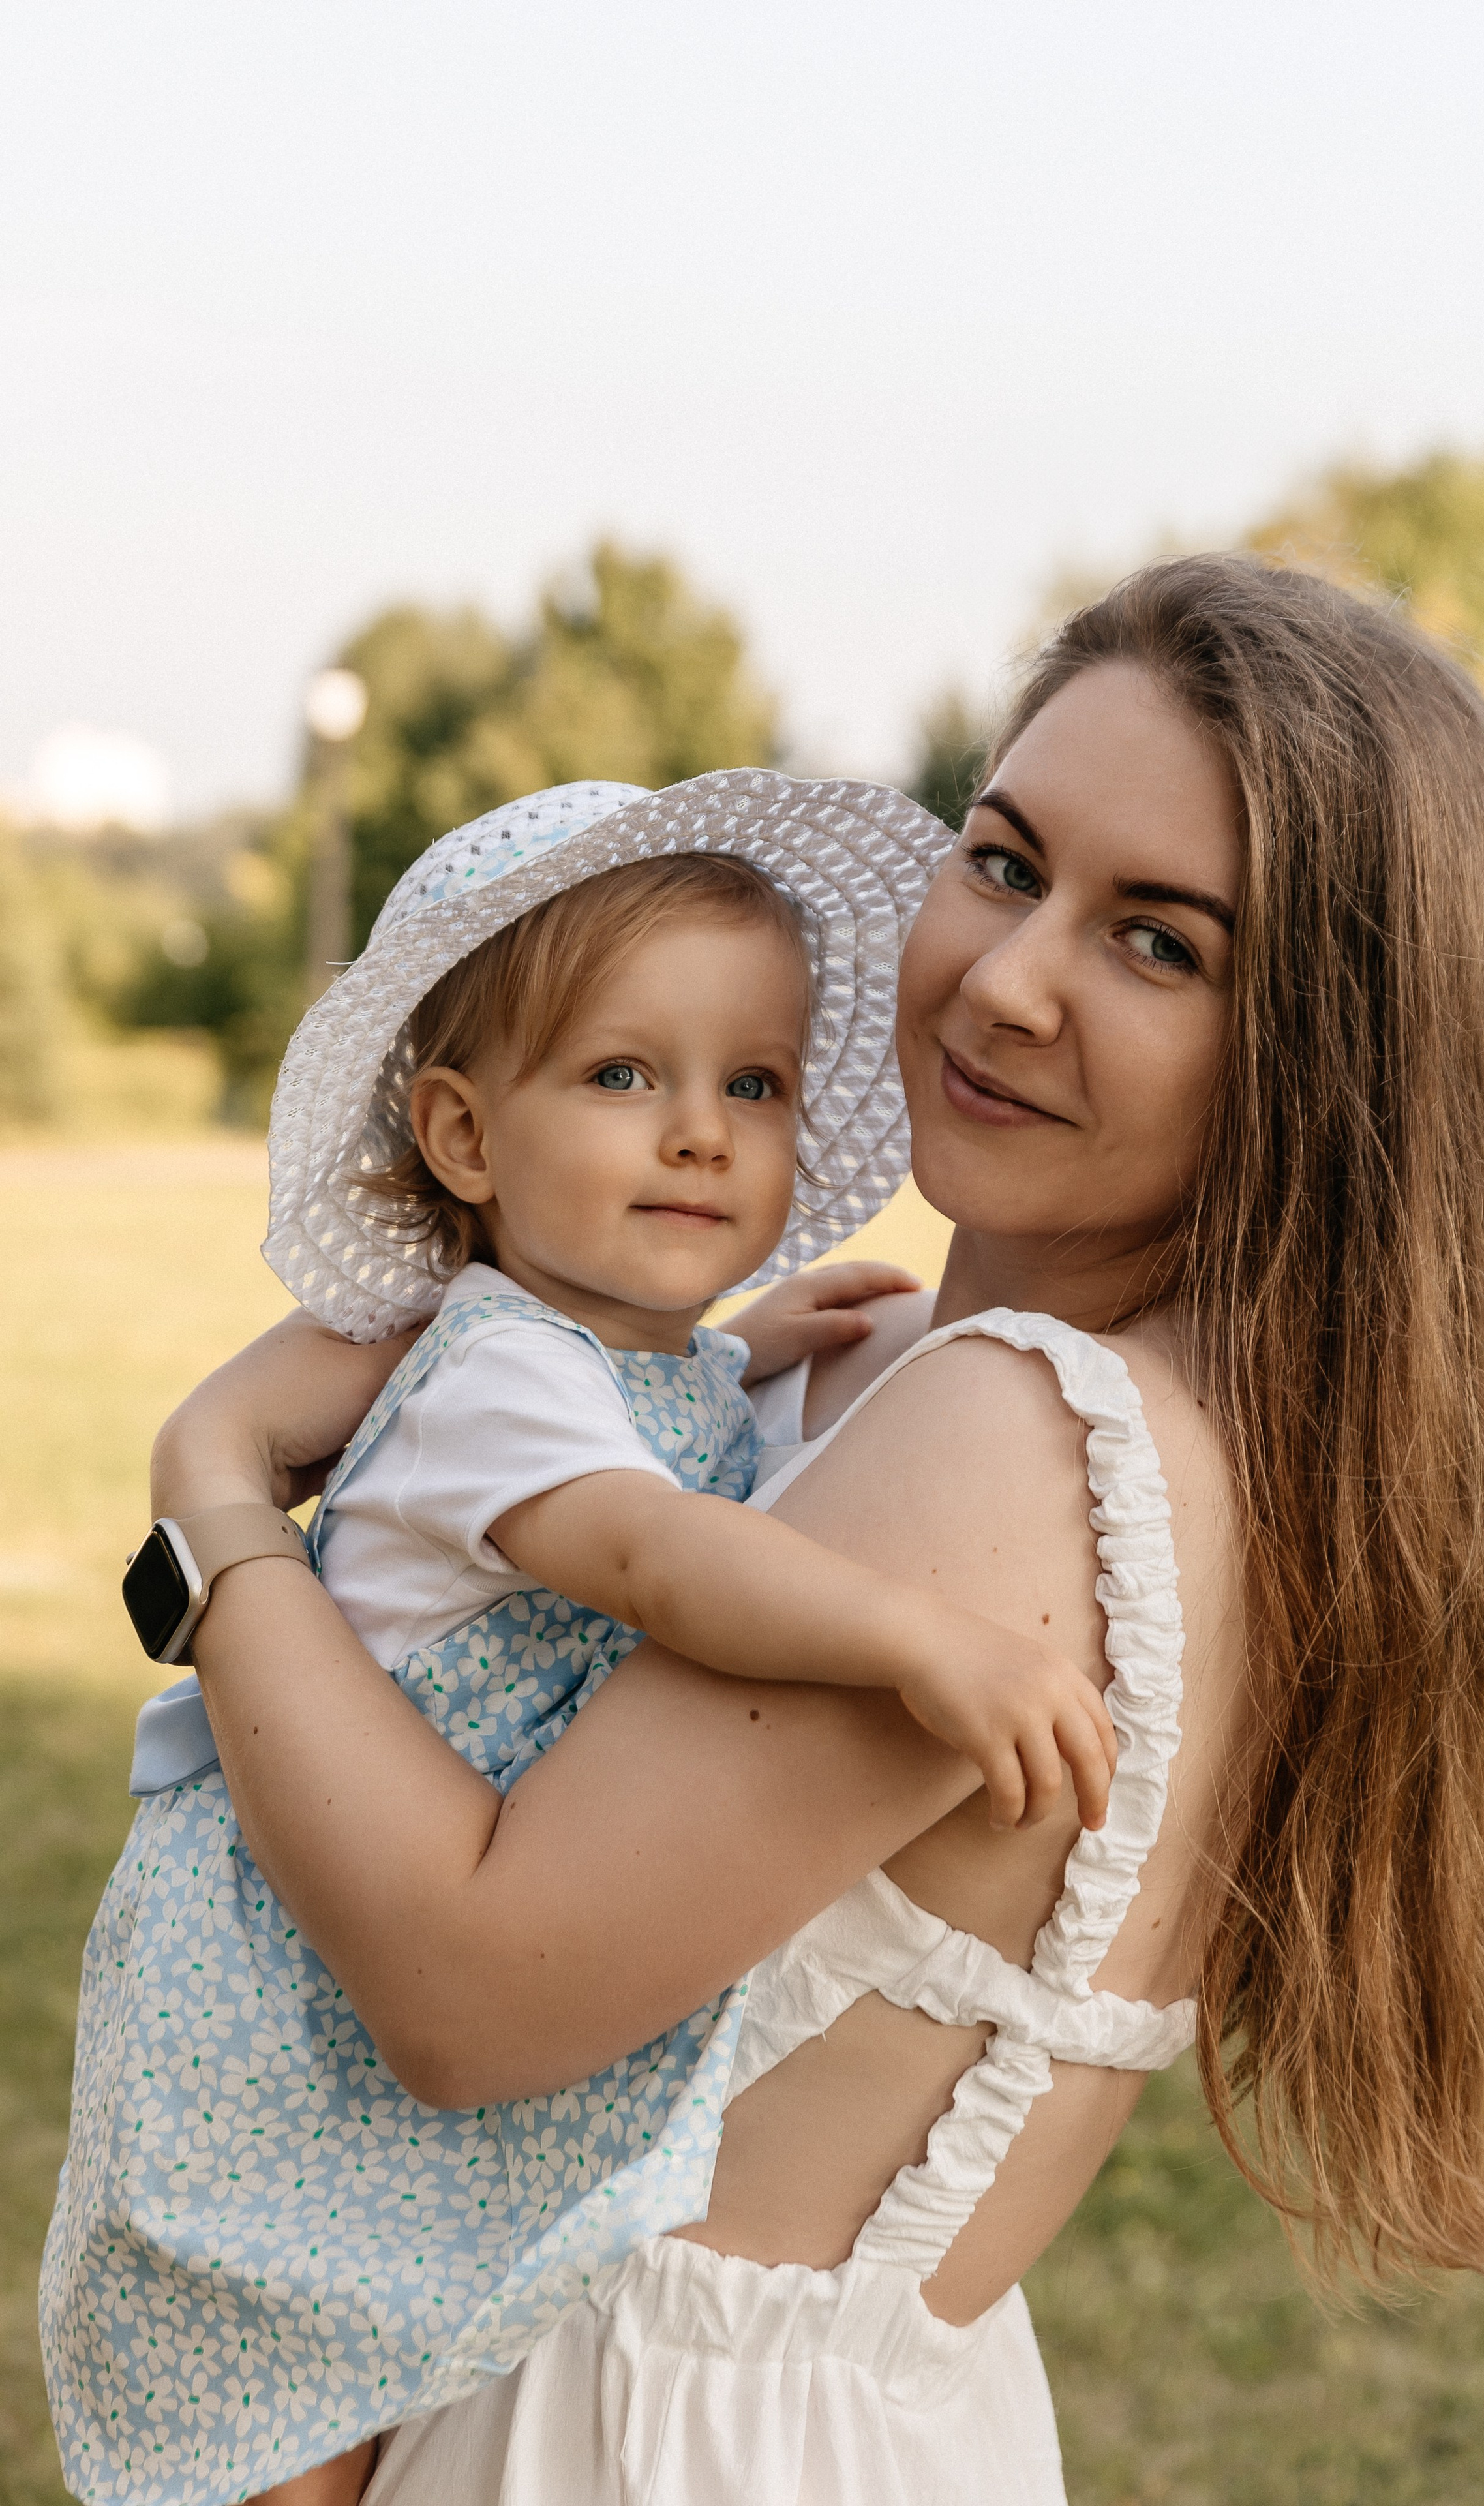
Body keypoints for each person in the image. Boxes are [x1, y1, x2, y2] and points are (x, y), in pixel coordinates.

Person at [66, 557, 1484, 2506]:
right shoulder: (1107, 1407)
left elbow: (467, 1993)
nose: (1011, 978)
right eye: (1010, 861)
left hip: (636, 2445)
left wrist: (210, 1508)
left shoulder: (1012, 1435)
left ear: (1322, 1045)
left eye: (1162, 945)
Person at [44, 776, 1120, 2506]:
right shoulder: (491, 1376)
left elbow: (646, 1419)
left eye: (750, 1083)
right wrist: (917, 1634)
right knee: (292, 2419)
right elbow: (656, 1548)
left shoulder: (605, 1360)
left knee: (399, 2352)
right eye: (626, 1074)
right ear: (465, 1139)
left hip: (368, 1937)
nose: (702, 1130)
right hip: (275, 1987)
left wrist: (751, 1344)